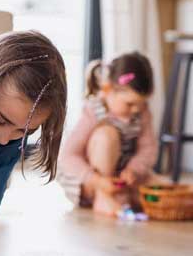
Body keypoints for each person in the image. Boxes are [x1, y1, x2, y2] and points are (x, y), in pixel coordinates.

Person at [57, 52, 159, 216]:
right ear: (107, 89)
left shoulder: (142, 112)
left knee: (159, 185)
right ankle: (103, 198)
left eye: (141, 104)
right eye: (130, 104)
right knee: (106, 135)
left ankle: (121, 196)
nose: (136, 110)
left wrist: (134, 170)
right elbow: (68, 156)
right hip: (92, 181)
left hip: (122, 178)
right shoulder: (94, 111)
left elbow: (148, 149)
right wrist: (96, 181)